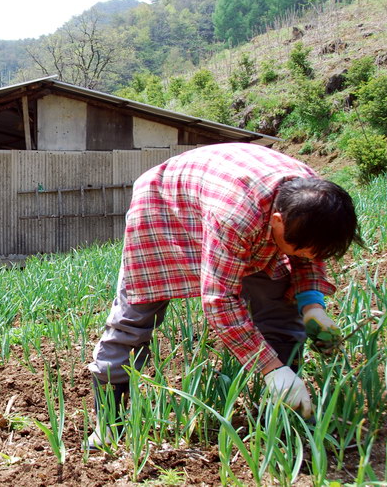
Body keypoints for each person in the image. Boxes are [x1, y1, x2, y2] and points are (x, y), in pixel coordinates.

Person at [85, 142, 361, 450]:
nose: (309, 256)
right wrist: (270, 368)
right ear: (278, 222)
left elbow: (309, 256)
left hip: (225, 201)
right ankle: (108, 425)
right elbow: (219, 302)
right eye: (301, 248)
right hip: (164, 205)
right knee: (135, 314)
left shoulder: (315, 199)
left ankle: (282, 417)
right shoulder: (238, 217)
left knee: (281, 309)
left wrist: (312, 306)